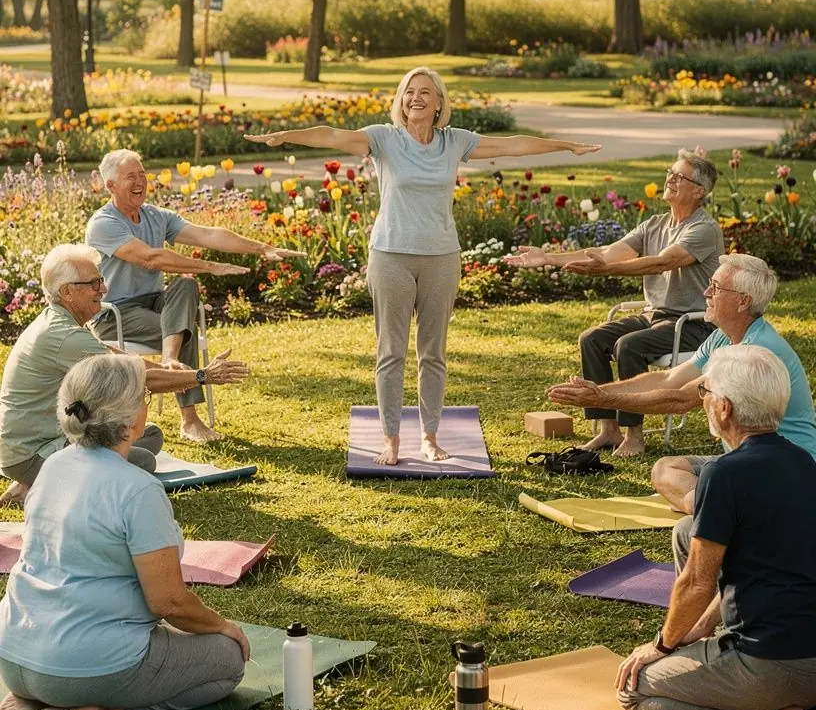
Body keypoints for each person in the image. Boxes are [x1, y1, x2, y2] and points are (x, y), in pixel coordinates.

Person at [247, 65, 600, 464]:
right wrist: (285, 136)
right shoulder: (383, 139)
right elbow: (330, 134)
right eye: (408, 92)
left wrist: (565, 145)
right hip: (390, 255)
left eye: (425, 93)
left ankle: (429, 436)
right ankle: (391, 438)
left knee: (433, 353)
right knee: (391, 352)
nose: (415, 98)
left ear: (439, 104)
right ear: (401, 100)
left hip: (441, 257)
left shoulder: (455, 143)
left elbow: (512, 144)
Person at [0, 353, 249, 710]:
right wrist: (225, 627)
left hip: (14, 657)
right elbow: (168, 602)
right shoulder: (138, 490)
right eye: (144, 396)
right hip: (81, 670)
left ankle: (37, 696)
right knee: (228, 662)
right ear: (132, 417)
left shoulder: (52, 466)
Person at [616, 344, 816, 710]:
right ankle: (788, 706)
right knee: (689, 532)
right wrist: (699, 629)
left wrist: (663, 645)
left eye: (704, 391)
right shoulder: (804, 463)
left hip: (771, 662)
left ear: (723, 408)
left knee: (635, 693)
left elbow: (697, 581)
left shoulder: (724, 474)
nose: (700, 399)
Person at [548, 252, 816, 508]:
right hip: (745, 462)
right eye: (710, 284)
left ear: (743, 301)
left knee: (680, 479)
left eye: (716, 287)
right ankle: (722, 508)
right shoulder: (723, 336)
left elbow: (681, 400)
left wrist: (602, 399)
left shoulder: (755, 350)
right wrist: (599, 391)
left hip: (789, 471)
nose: (706, 292)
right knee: (666, 469)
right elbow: (668, 378)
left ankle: (726, 510)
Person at [508, 150, 723, 457]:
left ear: (699, 191)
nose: (670, 179)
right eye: (670, 173)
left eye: (680, 176)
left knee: (629, 345)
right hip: (656, 316)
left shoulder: (703, 229)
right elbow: (610, 251)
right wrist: (549, 257)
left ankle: (634, 435)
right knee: (592, 339)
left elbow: (661, 263)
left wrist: (606, 269)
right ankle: (609, 430)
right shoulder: (655, 224)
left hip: (692, 323)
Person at [0, 244, 249, 507]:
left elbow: (121, 359)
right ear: (67, 292)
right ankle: (38, 483)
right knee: (142, 460)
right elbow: (135, 378)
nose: (104, 290)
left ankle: (36, 481)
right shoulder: (64, 336)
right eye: (94, 284)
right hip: (32, 452)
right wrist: (202, 376)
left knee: (150, 435)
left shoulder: (62, 321)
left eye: (101, 281)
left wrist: (168, 368)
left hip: (51, 440)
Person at [87, 149, 287, 443]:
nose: (140, 180)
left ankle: (170, 360)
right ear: (111, 186)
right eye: (131, 176)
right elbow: (150, 259)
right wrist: (210, 266)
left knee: (185, 284)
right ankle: (190, 419)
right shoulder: (104, 223)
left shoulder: (155, 216)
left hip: (155, 304)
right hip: (115, 312)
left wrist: (262, 248)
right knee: (185, 331)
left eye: (142, 173)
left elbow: (208, 235)